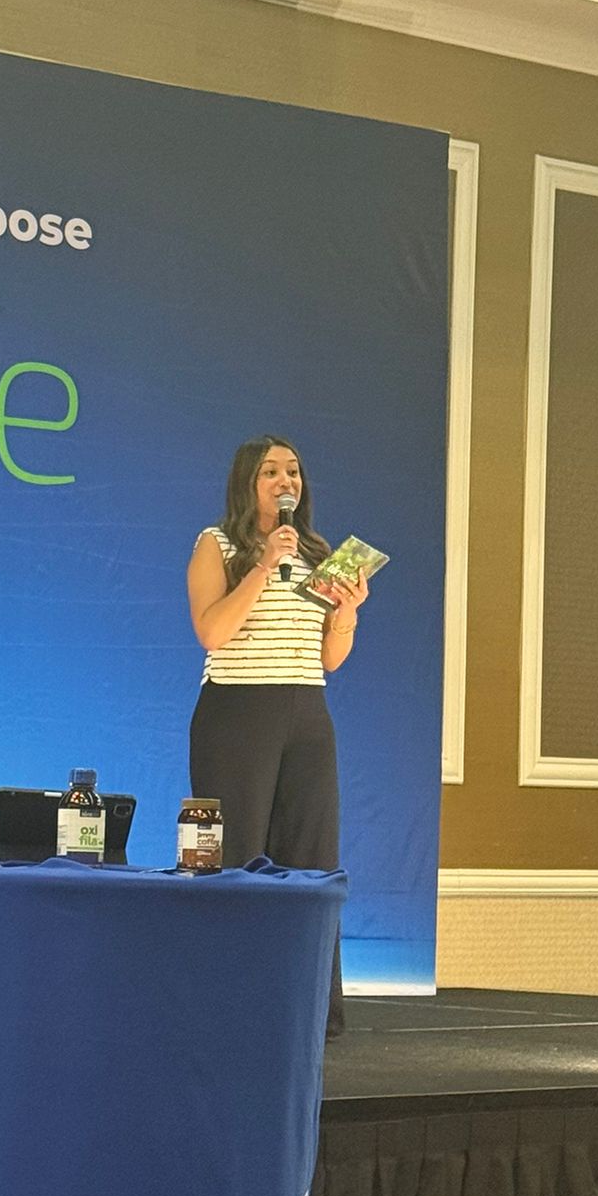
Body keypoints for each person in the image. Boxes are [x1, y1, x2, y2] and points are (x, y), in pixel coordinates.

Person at [185, 435, 368, 1036]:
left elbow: (330, 657)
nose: (285, 480)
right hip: (237, 712)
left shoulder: (319, 553)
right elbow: (212, 632)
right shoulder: (216, 545)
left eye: (293, 471)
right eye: (270, 472)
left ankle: (309, 1011)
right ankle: (230, 1007)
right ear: (248, 483)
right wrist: (263, 565)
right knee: (236, 857)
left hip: (307, 712)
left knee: (312, 858)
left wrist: (347, 612)